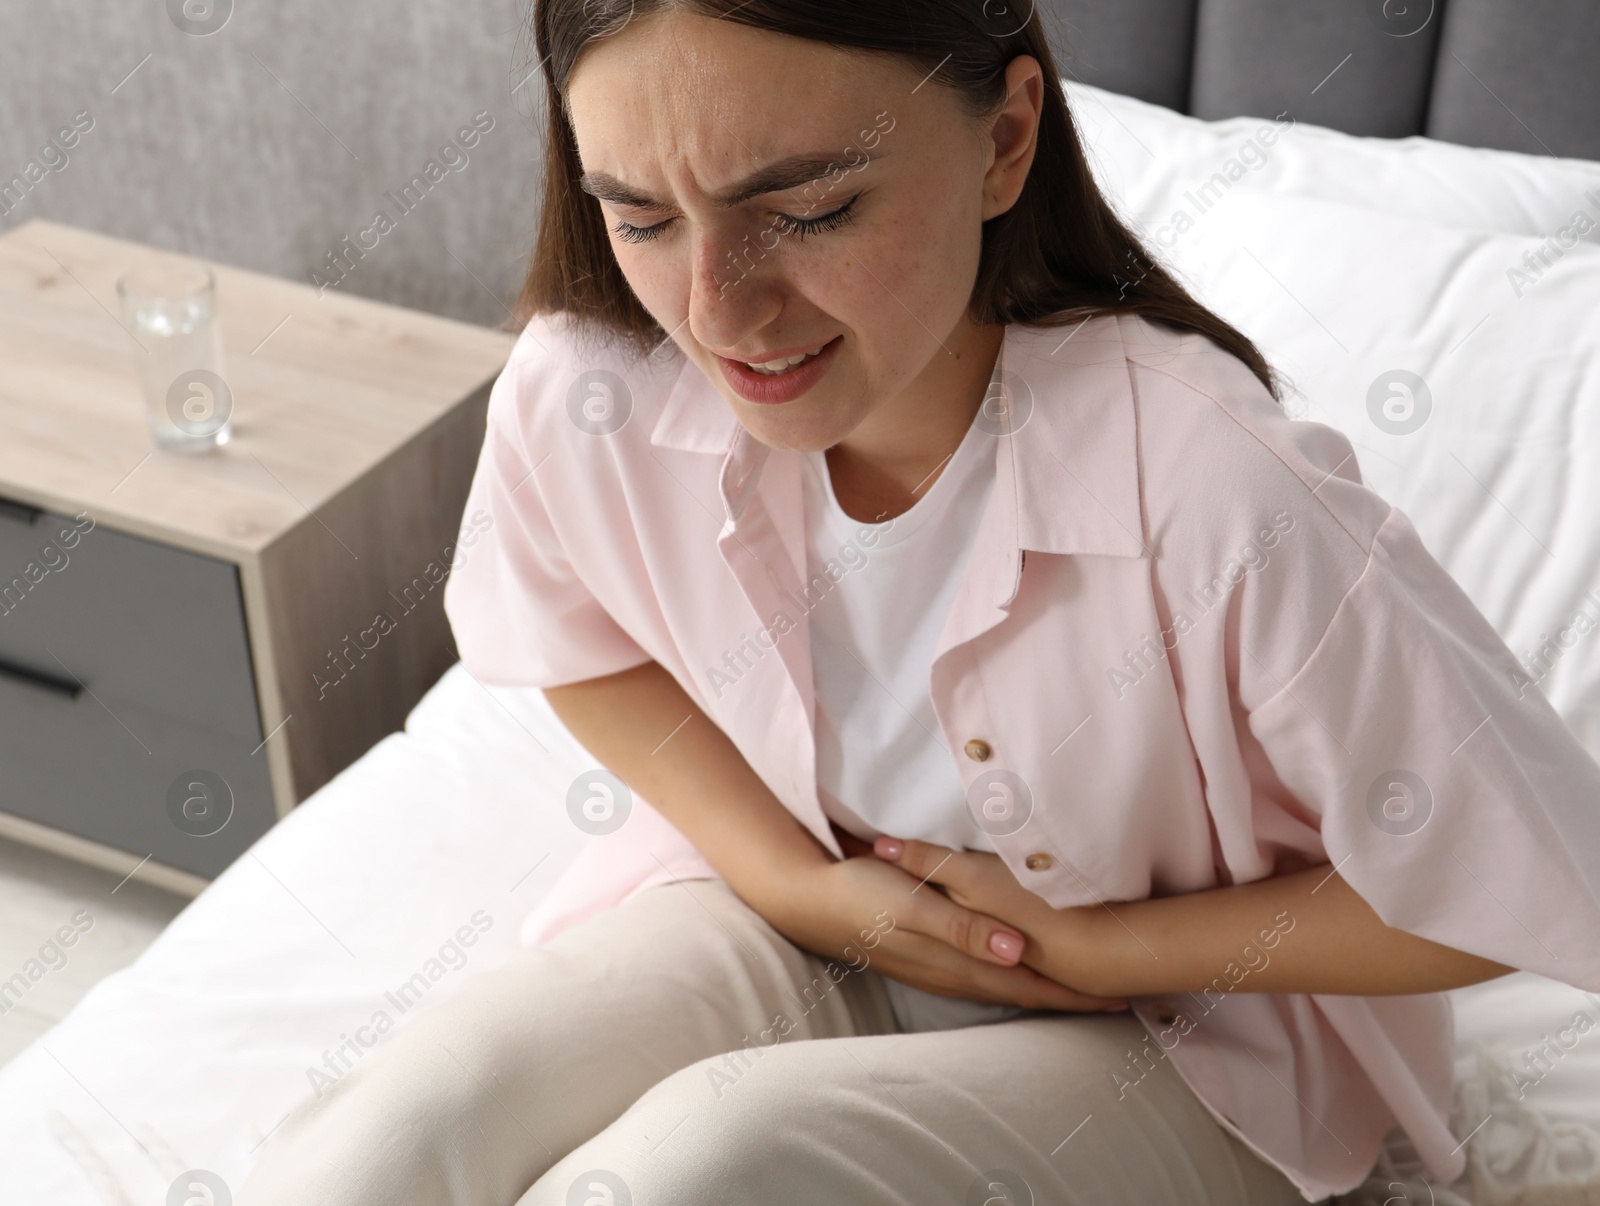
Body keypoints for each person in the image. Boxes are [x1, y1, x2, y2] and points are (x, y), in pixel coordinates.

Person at [236, 2, 1600, 1203]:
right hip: (798, 910)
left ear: (1006, 141)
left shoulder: (1213, 487)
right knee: (408, 1125)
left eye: (810, 209)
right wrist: (796, 883)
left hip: (1184, 1040)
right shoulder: (590, 376)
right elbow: (563, 637)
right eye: (642, 215)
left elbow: (1513, 886)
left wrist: (1097, 943)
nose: (720, 309)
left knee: (689, 1172)